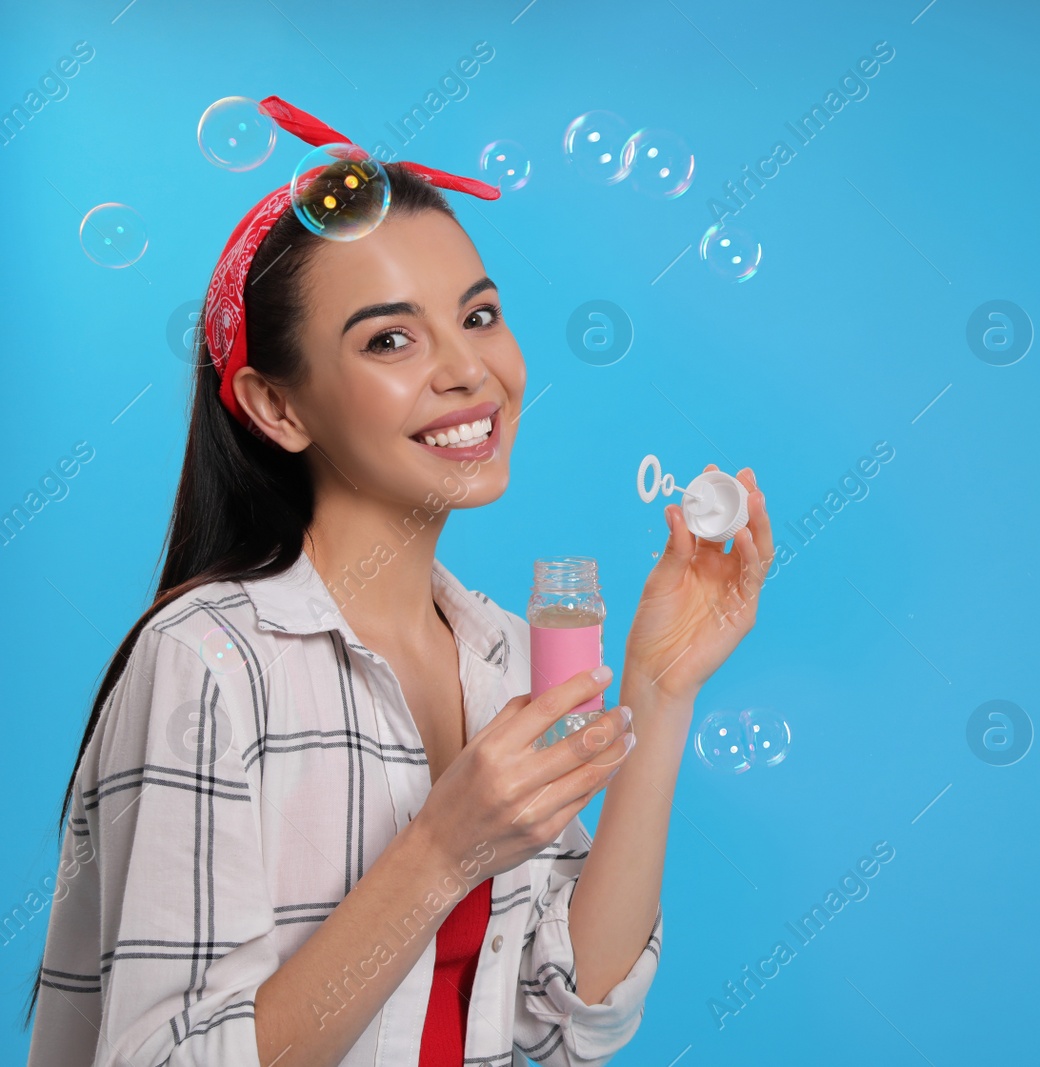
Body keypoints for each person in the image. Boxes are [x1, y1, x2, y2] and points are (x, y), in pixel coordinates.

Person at [24, 96, 773, 1067]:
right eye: (389, 338)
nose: (470, 368)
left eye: (479, 314)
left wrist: (661, 691)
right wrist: (439, 850)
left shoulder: (502, 649)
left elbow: (571, 1013)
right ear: (275, 404)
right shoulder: (209, 662)